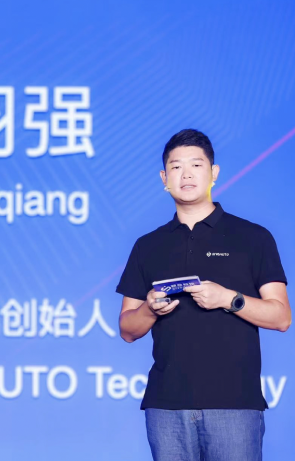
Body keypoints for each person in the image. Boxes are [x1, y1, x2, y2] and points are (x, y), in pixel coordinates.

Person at [115, 128, 291, 461]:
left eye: (196, 165)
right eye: (176, 167)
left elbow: (281, 317)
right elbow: (127, 329)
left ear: (214, 172)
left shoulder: (253, 237)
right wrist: (150, 309)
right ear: (164, 178)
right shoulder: (148, 246)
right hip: (166, 406)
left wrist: (229, 299)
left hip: (234, 404)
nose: (186, 174)